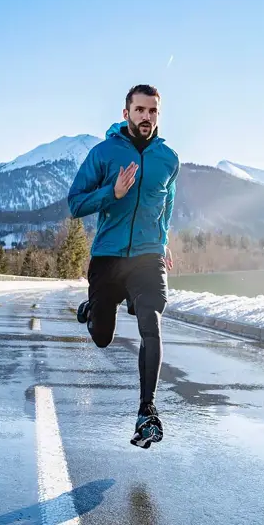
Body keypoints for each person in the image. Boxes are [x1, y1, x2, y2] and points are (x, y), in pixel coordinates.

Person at [66, 83, 180, 449]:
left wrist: (162, 243)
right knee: (102, 337)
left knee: (152, 322)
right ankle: (93, 309)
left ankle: (147, 411)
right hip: (109, 257)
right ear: (126, 113)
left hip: (147, 258)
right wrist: (110, 194)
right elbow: (75, 204)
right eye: (140, 110)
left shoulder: (169, 159)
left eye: (153, 111)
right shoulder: (103, 154)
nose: (146, 117)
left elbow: (167, 207)